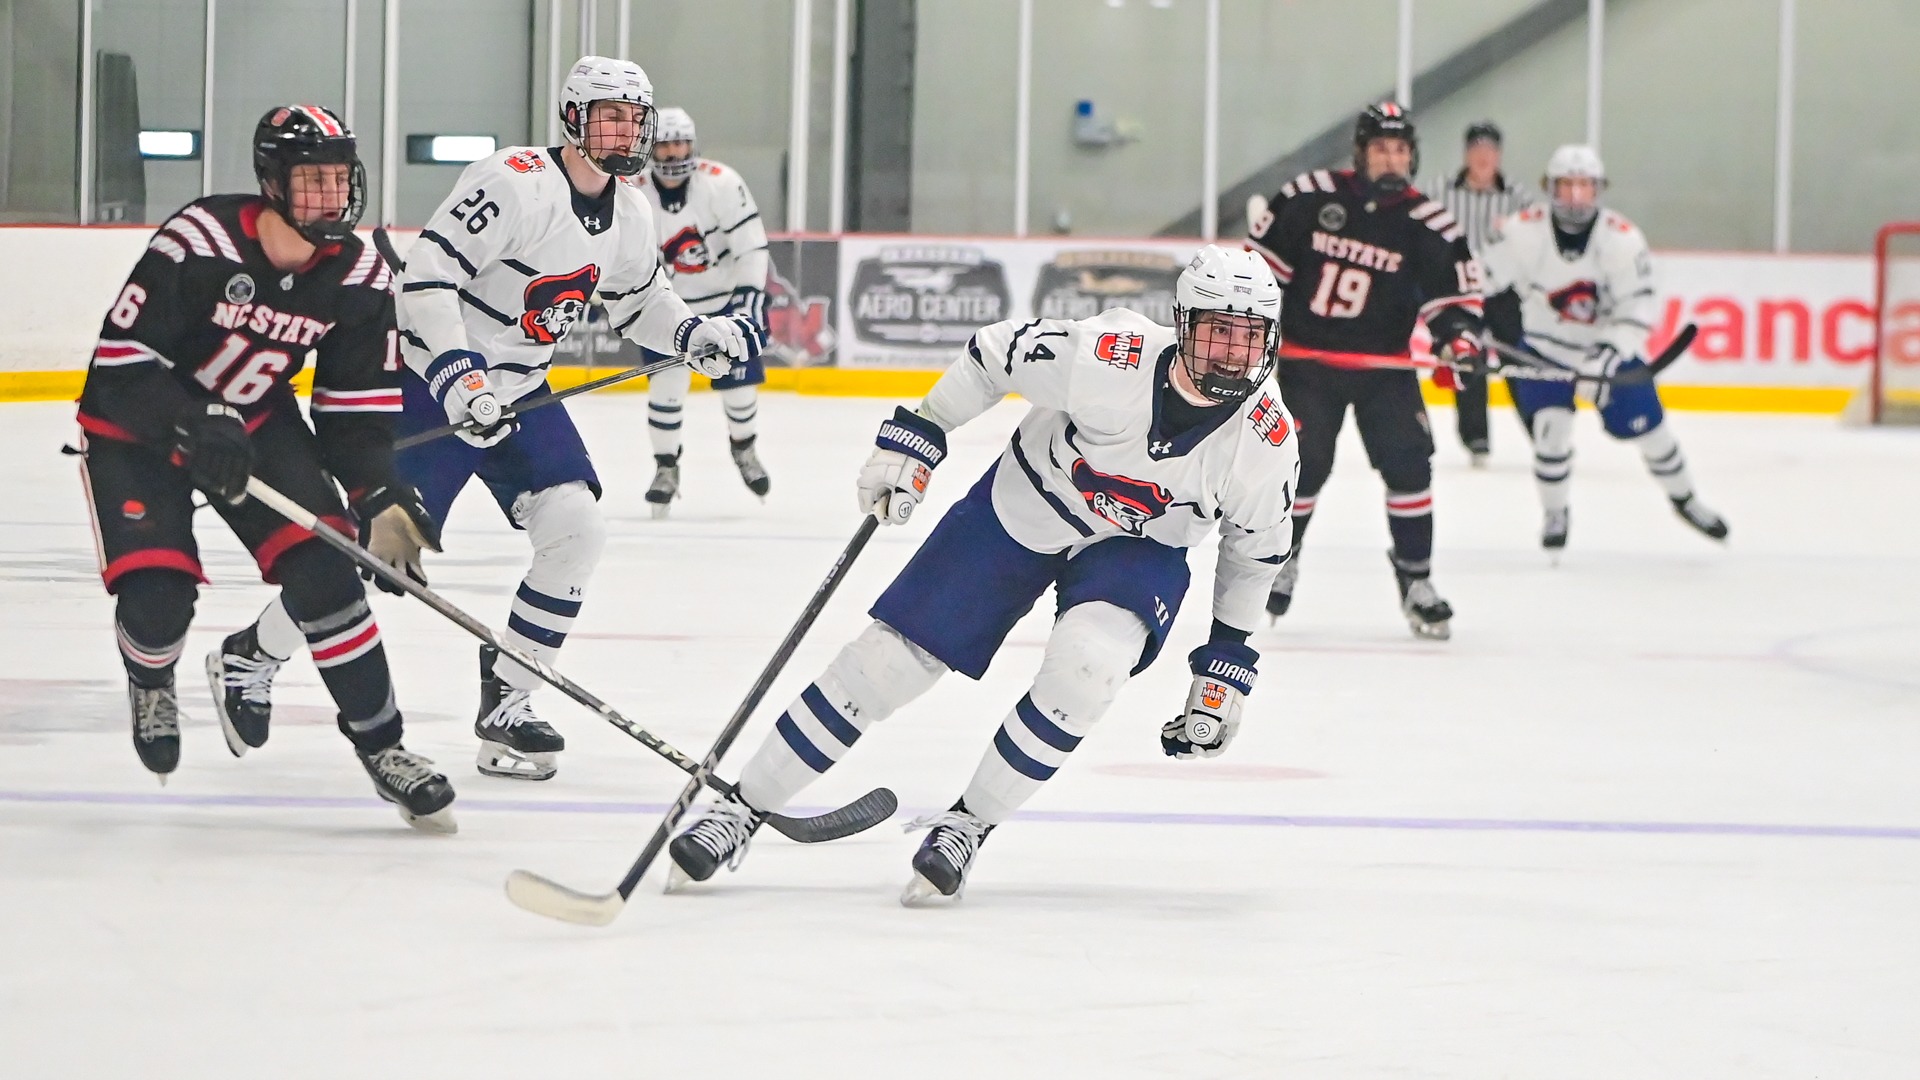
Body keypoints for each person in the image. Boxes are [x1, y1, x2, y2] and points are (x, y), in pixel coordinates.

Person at [664, 246, 1300, 903]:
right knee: (887, 665)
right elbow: (996, 353)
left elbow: (1255, 554)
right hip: (1026, 504)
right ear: (1183, 323)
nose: (1232, 354)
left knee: (1088, 672)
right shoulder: (1110, 357)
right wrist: (919, 432)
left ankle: (968, 826)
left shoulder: (1266, 441)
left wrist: (1226, 662)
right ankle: (741, 808)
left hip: (1140, 547)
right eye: (1217, 331)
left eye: (1249, 336)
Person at [77, 104, 455, 832]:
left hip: (252, 423)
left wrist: (377, 492)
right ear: (272, 183)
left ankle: (384, 746)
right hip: (138, 431)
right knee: (158, 599)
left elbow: (353, 409)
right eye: (313, 179)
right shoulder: (200, 240)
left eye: (341, 178)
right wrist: (193, 420)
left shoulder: (360, 274)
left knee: (328, 574)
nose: (332, 195)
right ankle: (151, 678)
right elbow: (120, 365)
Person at [391, 57, 757, 780]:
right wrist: (457, 374)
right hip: (433, 379)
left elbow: (640, 301)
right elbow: (427, 276)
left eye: (634, 118)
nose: (625, 131)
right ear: (571, 119)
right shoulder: (514, 182)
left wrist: (690, 332)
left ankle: (509, 698)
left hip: (521, 389)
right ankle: (257, 652)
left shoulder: (630, 211)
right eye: (608, 116)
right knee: (378, 551)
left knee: (576, 531)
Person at [1246, 101, 1484, 639]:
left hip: (1385, 370)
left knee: (1409, 464)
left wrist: (1459, 340)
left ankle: (1417, 580)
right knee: (1303, 465)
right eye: (1380, 149)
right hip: (1309, 364)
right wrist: (1255, 330)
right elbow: (1258, 275)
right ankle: (1282, 561)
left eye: (1400, 150)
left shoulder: (1430, 224)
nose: (1391, 159)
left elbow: (1454, 303)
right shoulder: (1308, 197)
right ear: (1360, 153)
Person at [1479, 144, 1728, 552]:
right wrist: (1456, 320)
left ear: (1598, 189)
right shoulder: (1522, 231)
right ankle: (1555, 513)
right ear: (1549, 188)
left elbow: (1639, 305)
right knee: (1550, 434)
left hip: (1609, 354)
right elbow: (1479, 279)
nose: (1576, 196)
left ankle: (1685, 499)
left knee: (1653, 432)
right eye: (1567, 185)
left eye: (1585, 186)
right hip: (1544, 350)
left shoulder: (1622, 239)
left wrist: (1609, 353)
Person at [631, 106, 774, 516]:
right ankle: (666, 467)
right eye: (665, 144)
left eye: (681, 143)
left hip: (724, 306)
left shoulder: (721, 183)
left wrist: (749, 296)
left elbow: (751, 246)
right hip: (668, 311)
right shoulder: (632, 192)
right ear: (651, 148)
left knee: (739, 389)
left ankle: (744, 449)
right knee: (665, 391)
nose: (674, 152)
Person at [1431, 121, 1538, 465]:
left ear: (1499, 155)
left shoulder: (1517, 197)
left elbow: (1538, 241)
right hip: (1460, 293)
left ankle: (1541, 430)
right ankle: (1475, 437)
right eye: (1477, 149)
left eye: (1489, 150)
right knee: (1467, 358)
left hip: (1503, 295)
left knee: (1518, 361)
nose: (1483, 157)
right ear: (1466, 154)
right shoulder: (1440, 191)